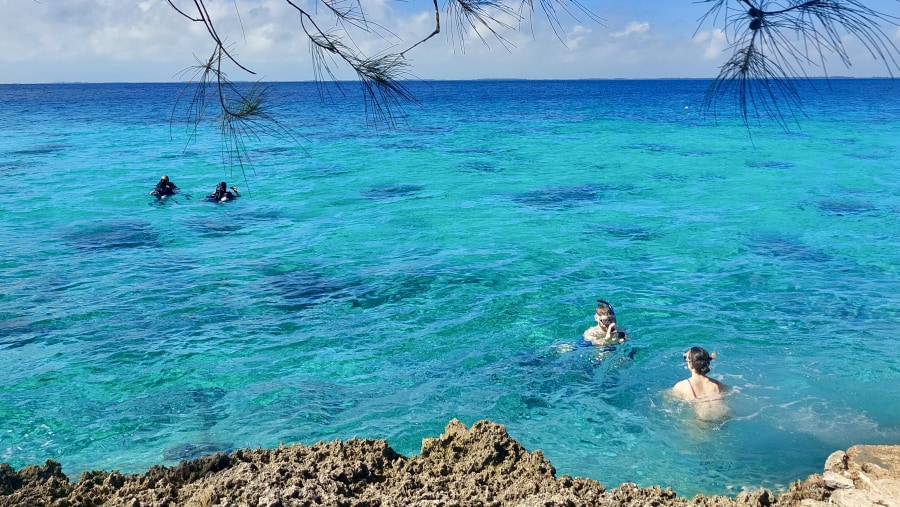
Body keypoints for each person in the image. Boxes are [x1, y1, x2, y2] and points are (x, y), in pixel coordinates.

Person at [671, 346, 731, 422]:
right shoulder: (718, 384)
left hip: (703, 422)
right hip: (724, 417)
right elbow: (732, 391)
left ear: (691, 364)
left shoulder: (682, 386)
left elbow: (670, 401)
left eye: (686, 358)